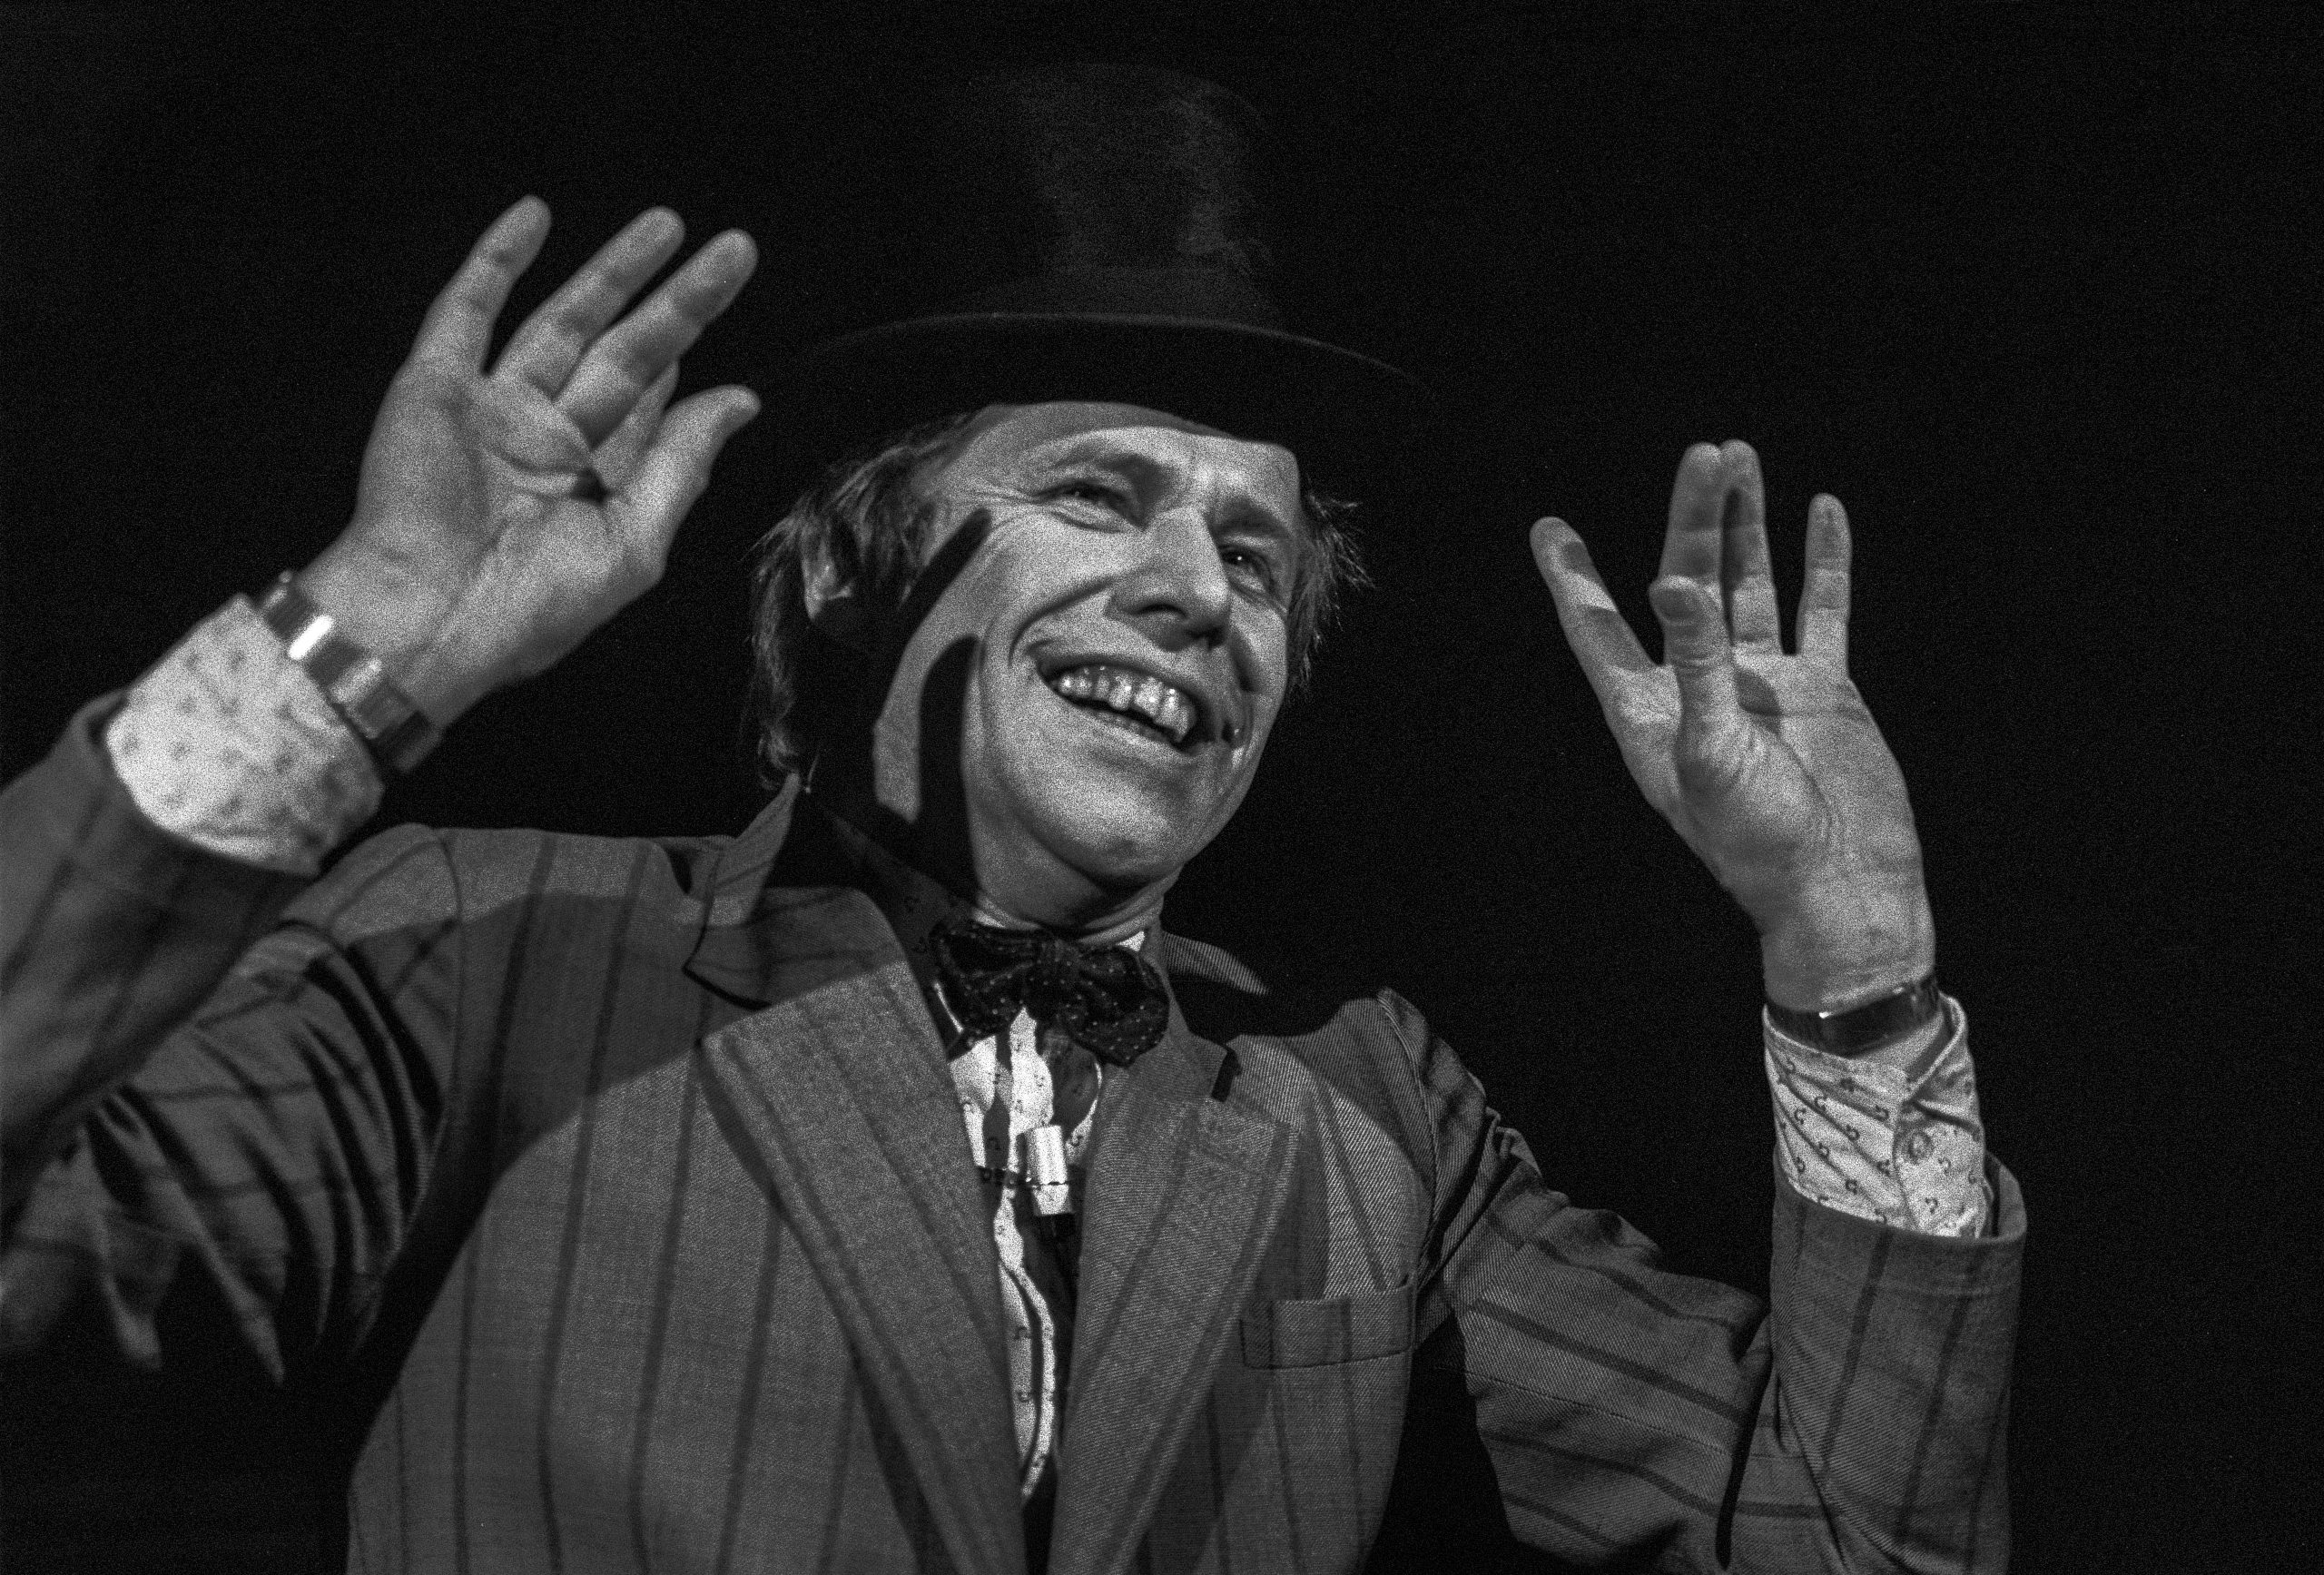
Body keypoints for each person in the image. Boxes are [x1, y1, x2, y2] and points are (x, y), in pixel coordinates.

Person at [0, 66, 2020, 1575]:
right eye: (1092, 497)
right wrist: (349, 651)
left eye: (1254, 555)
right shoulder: (486, 947)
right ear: (856, 570)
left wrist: (1853, 968)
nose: (1197, 591)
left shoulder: (1361, 1094)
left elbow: (1849, 1542)